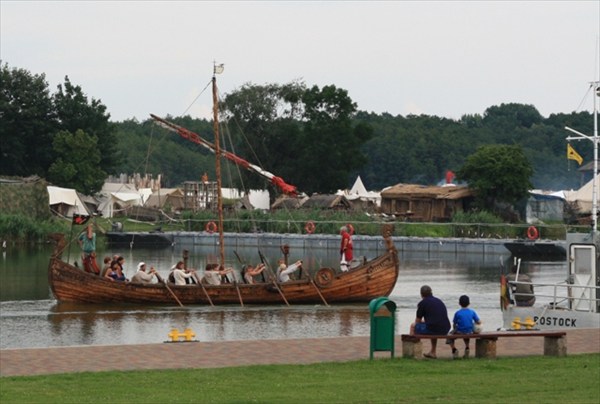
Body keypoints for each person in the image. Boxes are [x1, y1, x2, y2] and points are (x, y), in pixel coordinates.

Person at [409, 285, 451, 359]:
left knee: (413, 326)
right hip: (445, 328)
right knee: (432, 326)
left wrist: (418, 324)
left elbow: (417, 321)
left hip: (433, 328)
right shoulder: (439, 301)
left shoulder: (422, 303)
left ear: (421, 294)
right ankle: (433, 352)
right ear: (431, 292)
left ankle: (412, 352)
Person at [447, 295, 482, 359]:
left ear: (459, 303)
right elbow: (478, 322)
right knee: (466, 332)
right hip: (470, 331)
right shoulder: (472, 312)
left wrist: (454, 329)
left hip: (460, 331)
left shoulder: (458, 313)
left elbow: (454, 324)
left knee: (449, 336)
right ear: (469, 303)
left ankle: (454, 349)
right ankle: (467, 347)